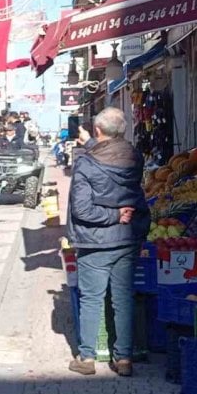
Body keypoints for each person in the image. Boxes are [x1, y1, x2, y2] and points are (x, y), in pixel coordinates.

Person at [67, 107, 150, 376]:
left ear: (98, 130)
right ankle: (123, 359)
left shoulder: (85, 163)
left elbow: (82, 210)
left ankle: (87, 358)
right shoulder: (134, 157)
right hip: (127, 239)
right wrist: (90, 143)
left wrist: (112, 214)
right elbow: (111, 155)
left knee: (92, 298)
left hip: (96, 241)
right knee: (123, 298)